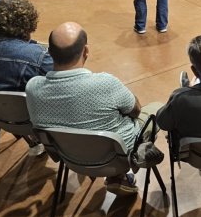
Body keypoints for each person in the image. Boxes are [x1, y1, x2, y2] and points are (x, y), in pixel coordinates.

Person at [26, 22, 157, 194]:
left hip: (69, 157)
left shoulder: (33, 87)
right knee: (156, 108)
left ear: (50, 53)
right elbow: (136, 110)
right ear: (86, 51)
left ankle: (118, 177)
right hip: (117, 158)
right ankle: (119, 174)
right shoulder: (105, 83)